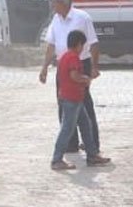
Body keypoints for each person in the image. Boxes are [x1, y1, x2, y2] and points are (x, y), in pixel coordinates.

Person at [40, 0, 101, 153]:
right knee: (63, 101)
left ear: (63, 3)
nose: (52, 6)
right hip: (63, 64)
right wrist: (44, 67)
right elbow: (51, 45)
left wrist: (94, 66)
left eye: (54, 2)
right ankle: (71, 143)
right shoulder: (56, 19)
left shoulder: (82, 18)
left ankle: (92, 143)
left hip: (81, 63)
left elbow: (94, 43)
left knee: (84, 102)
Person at [51, 30, 111, 170]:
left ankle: (92, 155)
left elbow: (64, 76)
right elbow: (74, 76)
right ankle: (56, 159)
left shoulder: (64, 56)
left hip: (72, 97)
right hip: (73, 98)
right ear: (79, 45)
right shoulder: (73, 58)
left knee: (86, 125)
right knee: (67, 129)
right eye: (83, 45)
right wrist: (86, 79)